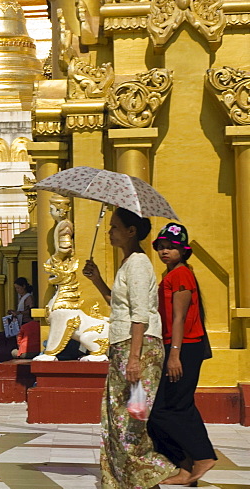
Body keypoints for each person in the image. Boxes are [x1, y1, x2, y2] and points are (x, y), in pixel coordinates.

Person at [82, 208, 178, 488]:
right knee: (118, 416)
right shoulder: (128, 263)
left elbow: (140, 315)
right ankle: (130, 479)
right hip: (126, 345)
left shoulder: (138, 263)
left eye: (115, 227)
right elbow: (121, 307)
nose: (110, 231)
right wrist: (97, 279)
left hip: (140, 348)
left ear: (131, 231)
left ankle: (159, 471)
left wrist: (134, 359)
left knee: (131, 420)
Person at [146, 223, 216, 485]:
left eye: (171, 247)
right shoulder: (171, 274)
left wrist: (174, 354)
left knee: (167, 410)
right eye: (161, 247)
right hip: (176, 345)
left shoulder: (181, 275)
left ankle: (203, 456)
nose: (165, 251)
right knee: (169, 408)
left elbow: (179, 317)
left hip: (184, 346)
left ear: (183, 250)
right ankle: (186, 469)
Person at [9, 277, 40, 359]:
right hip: (21, 321)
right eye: (16, 288)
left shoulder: (28, 297)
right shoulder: (21, 298)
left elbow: (31, 310)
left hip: (26, 322)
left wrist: (18, 313)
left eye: (18, 288)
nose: (17, 290)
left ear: (24, 286)